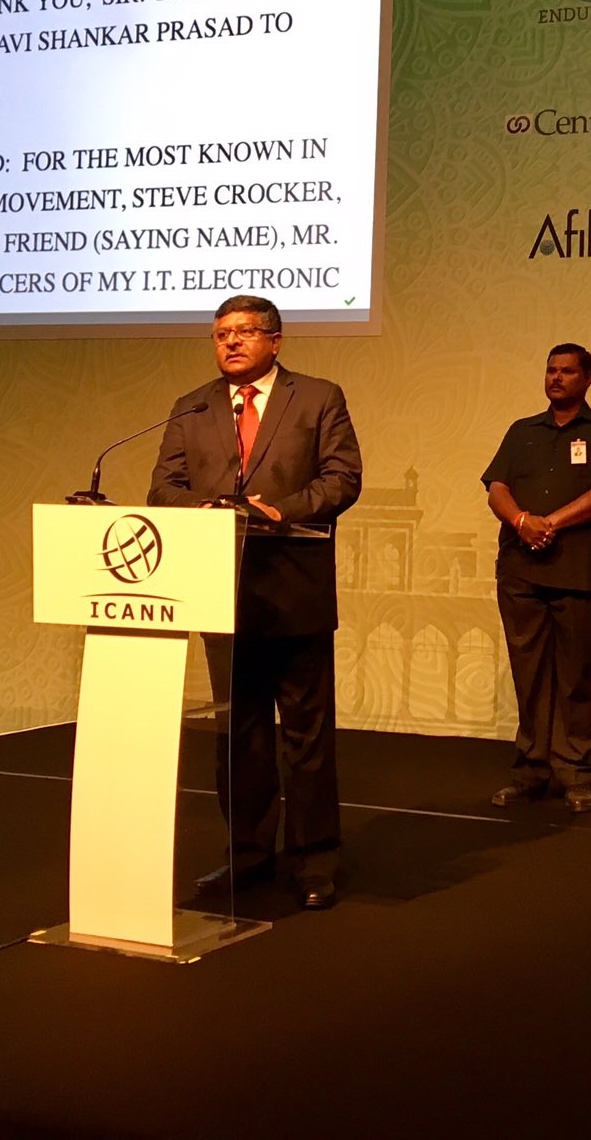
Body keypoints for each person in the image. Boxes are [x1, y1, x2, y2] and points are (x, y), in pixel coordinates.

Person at [148, 294, 362, 910]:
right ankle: (247, 856)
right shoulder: (192, 406)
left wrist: (280, 511)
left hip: (294, 589)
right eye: (221, 334)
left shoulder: (318, 397)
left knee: (305, 736)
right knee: (238, 734)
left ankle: (314, 859)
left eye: (244, 332)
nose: (231, 342)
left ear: (275, 340)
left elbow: (342, 478)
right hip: (220, 591)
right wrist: (206, 509)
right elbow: (164, 487)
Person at [480, 344, 591, 812]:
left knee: (575, 674)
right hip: (521, 568)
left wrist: (550, 523)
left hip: (580, 568)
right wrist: (521, 521)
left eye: (567, 371)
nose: (556, 378)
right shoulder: (522, 431)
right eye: (551, 370)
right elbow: (497, 488)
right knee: (528, 673)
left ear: (587, 379)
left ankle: (574, 772)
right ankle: (530, 771)